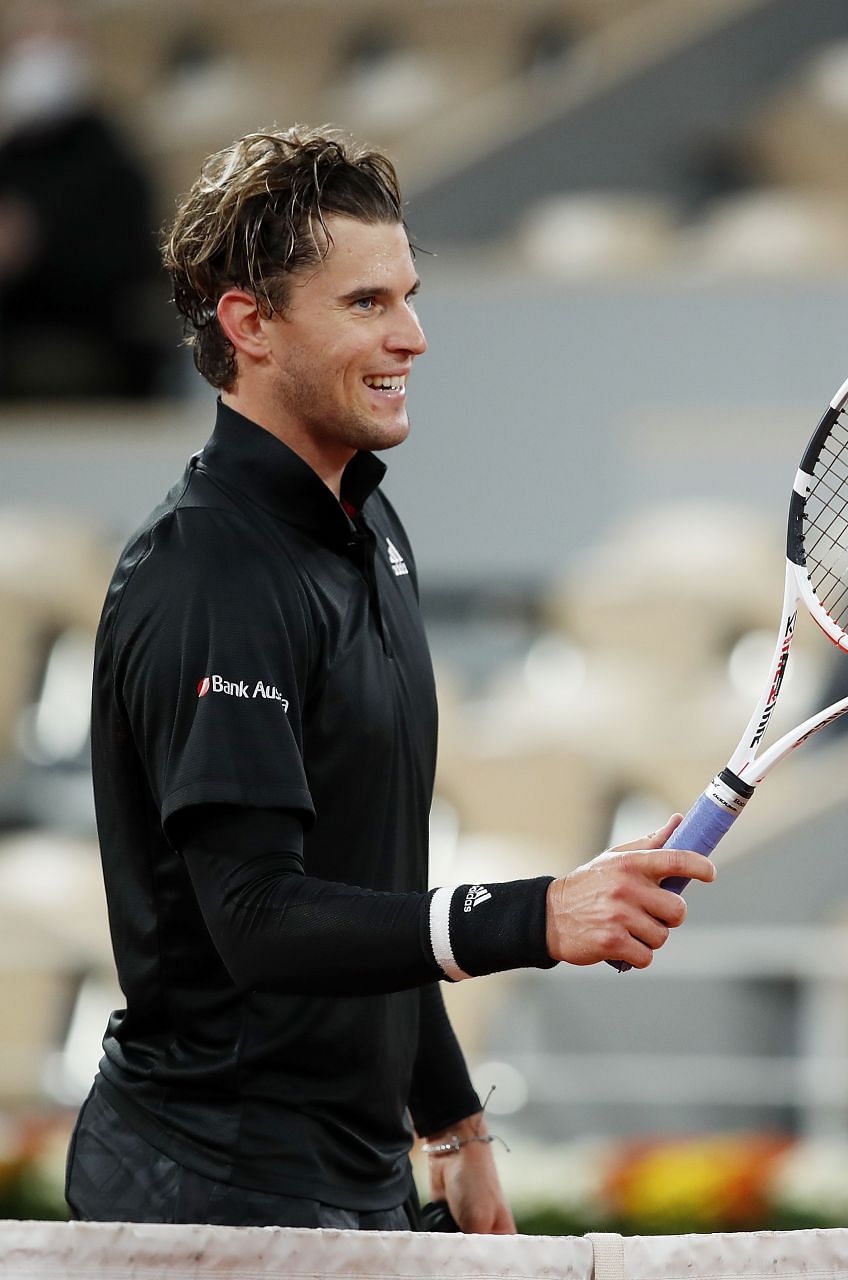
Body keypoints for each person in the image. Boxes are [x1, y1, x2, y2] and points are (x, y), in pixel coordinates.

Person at [72, 126, 714, 1231]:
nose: (413, 336)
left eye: (409, 296)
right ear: (250, 324)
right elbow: (261, 917)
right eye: (367, 303)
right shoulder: (208, 572)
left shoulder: (373, 530)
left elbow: (371, 880)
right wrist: (538, 913)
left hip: (351, 1182)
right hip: (209, 1188)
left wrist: (454, 1125)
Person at [0, 1, 164, 399]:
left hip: (89, 341)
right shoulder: (11, 151)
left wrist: (35, 244)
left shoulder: (108, 151)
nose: (40, 53)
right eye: (29, 37)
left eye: (55, 37)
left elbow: (132, 261)